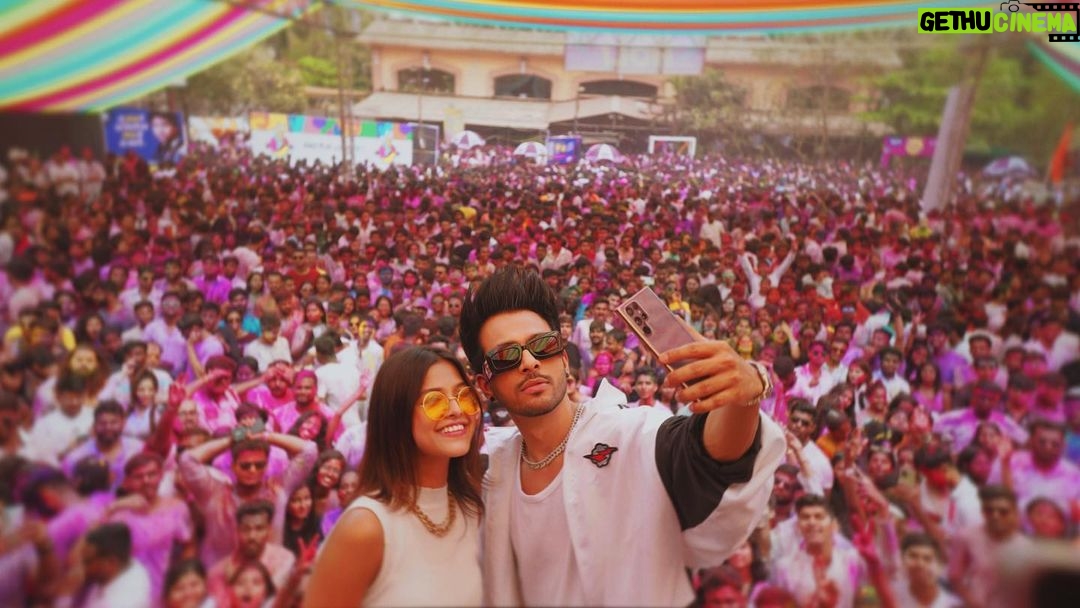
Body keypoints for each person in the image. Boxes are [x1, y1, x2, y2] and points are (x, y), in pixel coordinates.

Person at [457, 268, 783, 606]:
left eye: (542, 345)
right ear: (484, 385)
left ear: (564, 358)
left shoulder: (631, 433)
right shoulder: (489, 474)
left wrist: (745, 394)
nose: (529, 362)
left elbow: (710, 458)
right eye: (505, 357)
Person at [305, 346, 484, 607]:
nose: (457, 410)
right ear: (396, 414)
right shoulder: (365, 528)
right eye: (434, 401)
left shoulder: (472, 507)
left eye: (464, 396)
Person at [76, 522, 153, 608]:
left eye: (87, 561)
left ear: (111, 562)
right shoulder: (132, 566)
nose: (81, 566)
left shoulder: (118, 603)